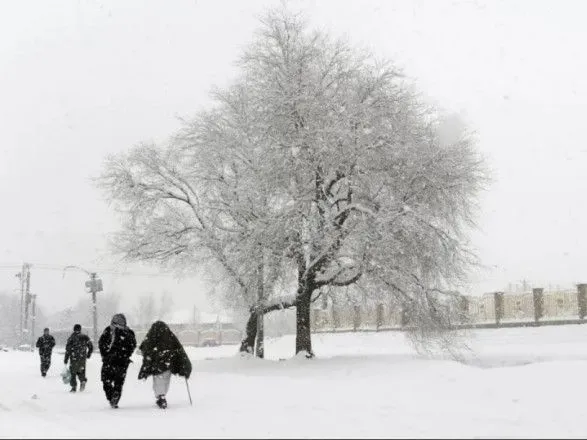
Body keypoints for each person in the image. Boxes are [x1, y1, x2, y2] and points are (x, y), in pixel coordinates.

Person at [138, 321, 192, 409]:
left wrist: (148, 359)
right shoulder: (170, 336)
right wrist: (184, 365)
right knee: (165, 380)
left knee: (158, 381)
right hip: (168, 364)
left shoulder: (152, 335)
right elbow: (179, 350)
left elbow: (145, 348)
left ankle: (160, 396)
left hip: (157, 365)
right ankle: (162, 396)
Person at [98, 313, 137, 409]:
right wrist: (126, 355)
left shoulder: (109, 330)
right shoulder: (129, 332)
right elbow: (133, 345)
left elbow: (101, 343)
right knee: (119, 382)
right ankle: (115, 396)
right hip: (123, 361)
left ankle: (111, 395)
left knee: (106, 380)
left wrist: (105, 355)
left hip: (109, 360)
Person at [64, 324, 93, 393]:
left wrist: (66, 358)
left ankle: (74, 387)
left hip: (74, 358)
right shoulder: (85, 337)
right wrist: (88, 354)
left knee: (73, 372)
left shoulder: (71, 338)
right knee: (81, 371)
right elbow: (91, 346)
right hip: (82, 358)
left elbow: (68, 349)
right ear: (80, 329)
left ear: (74, 329)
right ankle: (82, 380)